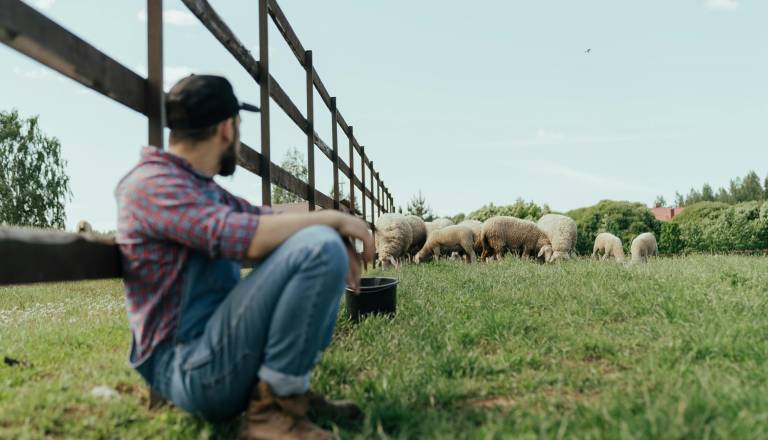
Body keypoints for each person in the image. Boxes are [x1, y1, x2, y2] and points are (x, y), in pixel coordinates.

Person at [115, 74, 374, 439]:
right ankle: (272, 413)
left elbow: (263, 218)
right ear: (227, 128)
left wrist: (333, 228)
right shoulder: (153, 186)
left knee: (319, 238)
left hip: (210, 350)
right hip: (188, 367)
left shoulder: (198, 188)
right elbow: (243, 237)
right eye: (239, 125)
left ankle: (286, 394)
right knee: (319, 245)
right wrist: (332, 221)